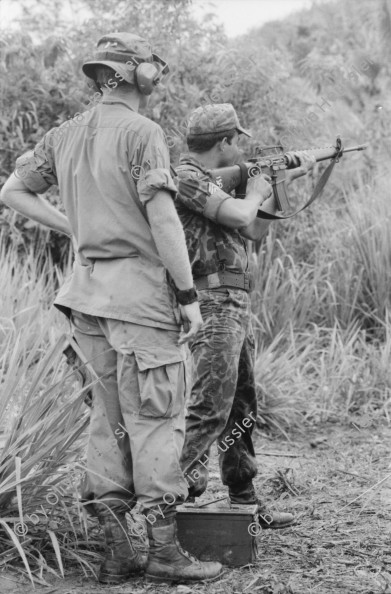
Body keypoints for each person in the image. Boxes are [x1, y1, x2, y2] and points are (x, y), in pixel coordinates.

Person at [0, 33, 223, 585]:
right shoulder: (143, 133)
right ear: (130, 75)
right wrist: (189, 296)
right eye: (152, 66)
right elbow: (165, 222)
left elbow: (13, 190)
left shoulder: (65, 134)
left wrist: (76, 226)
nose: (158, 74)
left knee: (109, 419)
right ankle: (165, 553)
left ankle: (115, 551)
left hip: (86, 298)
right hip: (140, 301)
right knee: (156, 417)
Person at [175, 103, 315, 529]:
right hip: (212, 299)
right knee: (210, 407)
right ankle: (169, 505)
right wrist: (255, 188)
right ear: (225, 141)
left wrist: (276, 184)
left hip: (233, 300)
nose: (239, 150)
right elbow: (240, 213)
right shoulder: (187, 177)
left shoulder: (222, 187)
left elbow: (253, 228)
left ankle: (243, 500)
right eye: (236, 141)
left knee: (241, 406)